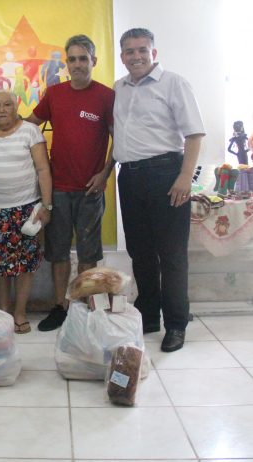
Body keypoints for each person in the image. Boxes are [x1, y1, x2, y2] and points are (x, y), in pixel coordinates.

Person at [114, 28, 205, 352]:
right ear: (122, 56)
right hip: (130, 176)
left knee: (171, 253)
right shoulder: (119, 87)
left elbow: (194, 134)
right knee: (140, 251)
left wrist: (185, 177)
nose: (136, 56)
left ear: (153, 53)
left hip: (166, 174)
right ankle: (149, 315)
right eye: (129, 51)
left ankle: (176, 323)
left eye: (142, 50)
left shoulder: (174, 83)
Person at [26, 35, 115, 331]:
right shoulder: (54, 93)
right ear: (66, 63)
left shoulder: (106, 96)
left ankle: (84, 307)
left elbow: (119, 139)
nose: (77, 64)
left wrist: (105, 174)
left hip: (91, 190)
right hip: (58, 190)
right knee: (59, 253)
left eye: (83, 58)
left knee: (89, 254)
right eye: (72, 59)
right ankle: (60, 307)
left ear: (93, 61)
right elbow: (29, 124)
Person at [0, 90, 52, 333]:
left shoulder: (30, 131)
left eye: (7, 104)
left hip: (25, 210)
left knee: (24, 265)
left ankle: (20, 312)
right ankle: (4, 311)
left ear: (16, 106)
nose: (1, 109)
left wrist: (46, 206)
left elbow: (43, 170)